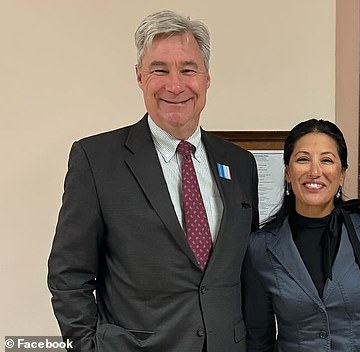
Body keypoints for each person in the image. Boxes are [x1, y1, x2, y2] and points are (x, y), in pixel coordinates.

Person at [47, 10, 259, 352]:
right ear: (139, 77)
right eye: (160, 70)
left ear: (206, 78)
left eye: (188, 69)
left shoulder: (239, 164)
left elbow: (247, 269)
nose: (175, 85)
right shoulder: (97, 159)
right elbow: (68, 276)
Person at [242, 119, 360, 352]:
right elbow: (258, 337)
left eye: (326, 160)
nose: (315, 171)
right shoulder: (260, 247)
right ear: (288, 172)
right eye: (303, 159)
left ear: (341, 174)